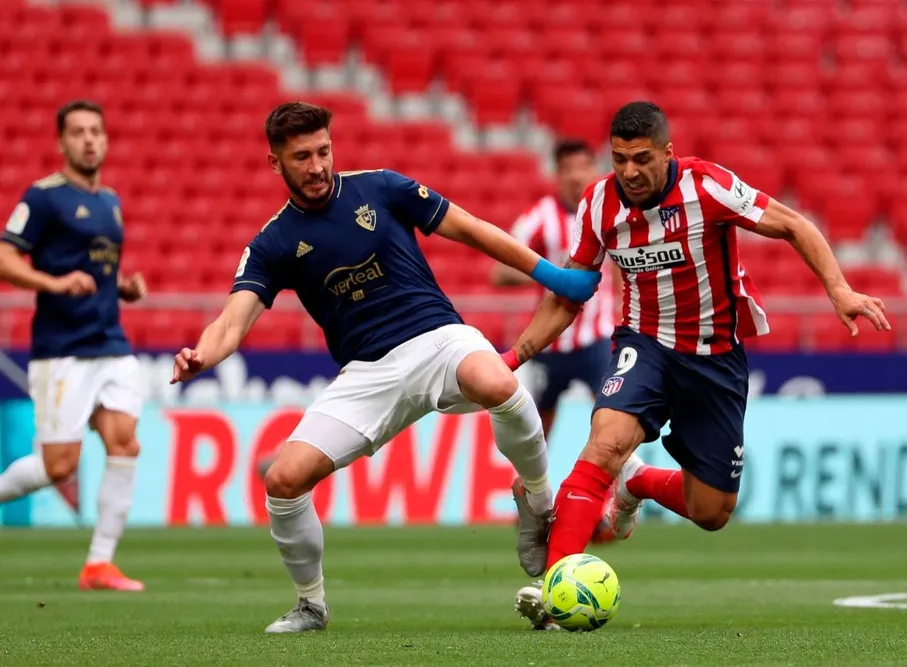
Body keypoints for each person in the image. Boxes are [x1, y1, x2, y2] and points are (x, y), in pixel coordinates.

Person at [168, 101, 601, 634]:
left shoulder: (381, 187)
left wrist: (552, 276)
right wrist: (202, 355)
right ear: (274, 163)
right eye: (301, 156)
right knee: (283, 479)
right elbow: (231, 323)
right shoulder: (273, 242)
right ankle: (311, 604)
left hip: (438, 338)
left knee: (498, 382)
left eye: (323, 151)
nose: (317, 165)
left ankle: (536, 499)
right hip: (367, 375)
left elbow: (470, 229)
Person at [505, 101, 891, 629]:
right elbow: (570, 294)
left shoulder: (707, 186)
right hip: (645, 345)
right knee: (605, 443)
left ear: (668, 152)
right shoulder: (598, 204)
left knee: (711, 512)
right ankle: (553, 593)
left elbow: (793, 224)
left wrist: (839, 289)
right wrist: (517, 353)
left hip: (714, 357)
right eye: (619, 160)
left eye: (641, 159)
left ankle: (636, 484)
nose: (630, 172)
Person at [0, 100, 148, 591]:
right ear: (61, 142)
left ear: (106, 140)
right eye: (79, 132)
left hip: (111, 343)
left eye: (96, 131)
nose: (89, 140)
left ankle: (99, 564)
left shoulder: (111, 201)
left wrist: (122, 287)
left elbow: (100, 271)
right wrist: (54, 283)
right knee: (57, 466)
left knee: (124, 441)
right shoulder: (43, 199)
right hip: (62, 350)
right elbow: (4, 258)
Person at [491, 139, 616, 439]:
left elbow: (624, 268)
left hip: (596, 338)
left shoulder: (609, 212)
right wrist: (552, 274)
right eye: (567, 169)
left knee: (612, 418)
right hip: (550, 341)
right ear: (556, 175)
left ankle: (614, 482)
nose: (575, 176)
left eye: (583, 167)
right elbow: (500, 273)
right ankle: (535, 483)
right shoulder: (539, 218)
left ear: (594, 171)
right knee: (537, 426)